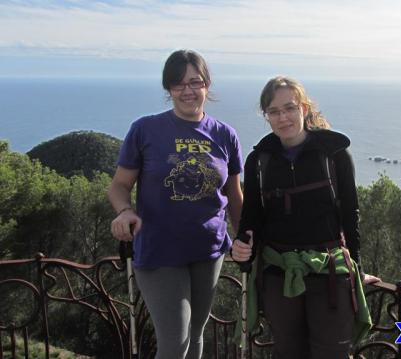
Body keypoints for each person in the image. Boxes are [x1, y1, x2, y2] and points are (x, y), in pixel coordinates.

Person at [108, 49, 243, 359]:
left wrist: (245, 237)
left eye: (195, 82)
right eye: (178, 84)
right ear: (168, 89)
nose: (187, 91)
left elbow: (235, 196)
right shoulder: (145, 129)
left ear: (207, 85)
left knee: (196, 336)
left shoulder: (225, 135)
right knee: (174, 342)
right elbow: (119, 185)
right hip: (159, 250)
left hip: (208, 249)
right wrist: (124, 210)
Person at [232, 76, 377, 359]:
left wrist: (356, 269)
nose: (283, 117)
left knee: (331, 353)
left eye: (289, 108)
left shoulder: (334, 155)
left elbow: (350, 215)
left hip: (330, 273)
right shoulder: (259, 161)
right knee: (288, 352)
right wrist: (241, 243)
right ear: (266, 116)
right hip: (279, 273)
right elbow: (252, 218)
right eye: (274, 112)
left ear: (305, 109)